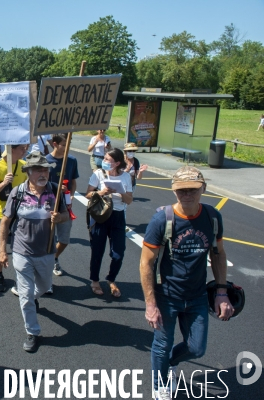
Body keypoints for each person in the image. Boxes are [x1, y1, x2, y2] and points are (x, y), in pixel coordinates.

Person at [139, 166, 233, 400]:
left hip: (197, 296)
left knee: (196, 348)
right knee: (162, 343)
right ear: (173, 191)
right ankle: (160, 384)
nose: (187, 195)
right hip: (167, 296)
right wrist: (150, 303)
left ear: (203, 188)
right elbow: (146, 263)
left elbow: (218, 254)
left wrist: (222, 292)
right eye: (182, 191)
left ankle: (168, 363)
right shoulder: (163, 219)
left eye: (192, 189)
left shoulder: (212, 217)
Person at [0, 151, 67, 352]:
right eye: (38, 169)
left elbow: (65, 215)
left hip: (46, 252)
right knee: (27, 295)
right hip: (21, 251)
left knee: (44, 288)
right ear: (28, 172)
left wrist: (59, 218)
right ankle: (32, 331)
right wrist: (3, 250)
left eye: (45, 169)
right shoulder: (17, 193)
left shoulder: (55, 191)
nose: (43, 173)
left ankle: (30, 297)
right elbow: (5, 222)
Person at [85, 148, 133, 297]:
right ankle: (94, 280)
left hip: (118, 216)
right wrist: (102, 192)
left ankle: (111, 279)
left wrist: (121, 192)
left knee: (118, 253)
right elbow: (88, 194)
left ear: (117, 163)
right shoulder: (98, 174)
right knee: (97, 250)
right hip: (101, 216)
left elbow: (129, 200)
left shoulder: (126, 177)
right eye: (104, 158)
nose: (104, 161)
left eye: (107, 160)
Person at [0, 145, 28, 292]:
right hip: (0, 214)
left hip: (20, 214)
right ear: (11, 150)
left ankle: (21, 279)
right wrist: (4, 183)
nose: (25, 151)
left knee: (22, 247)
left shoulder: (24, 166)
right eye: (22, 149)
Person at [46, 133, 80, 279]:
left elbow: (73, 181)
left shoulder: (71, 160)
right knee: (48, 238)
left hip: (65, 204)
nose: (67, 147)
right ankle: (47, 265)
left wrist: (71, 195)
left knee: (64, 240)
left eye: (68, 144)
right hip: (48, 203)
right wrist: (54, 188)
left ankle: (53, 258)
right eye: (63, 144)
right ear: (55, 144)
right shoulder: (46, 161)